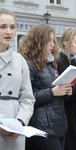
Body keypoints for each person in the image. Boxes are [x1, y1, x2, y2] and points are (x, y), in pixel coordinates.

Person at [19, 24, 72, 150]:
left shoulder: (51, 63)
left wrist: (65, 91)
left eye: (54, 40)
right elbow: (28, 97)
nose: (53, 44)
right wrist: (52, 92)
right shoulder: (27, 64)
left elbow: (56, 93)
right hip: (41, 127)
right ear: (39, 41)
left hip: (59, 126)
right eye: (49, 40)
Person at [0, 8, 35, 150]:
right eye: (3, 27)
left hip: (14, 128)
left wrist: (20, 122)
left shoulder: (19, 60)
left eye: (12, 27)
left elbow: (27, 98)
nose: (9, 32)